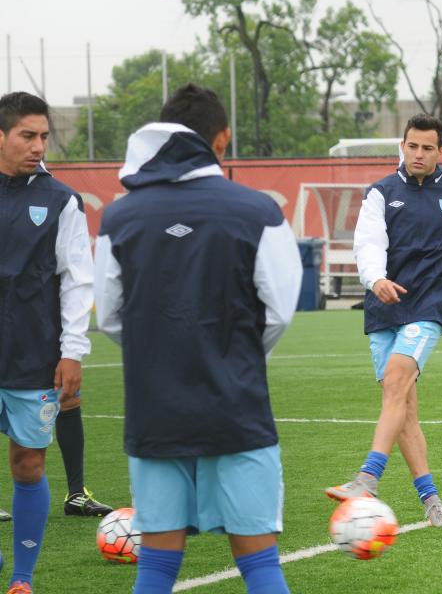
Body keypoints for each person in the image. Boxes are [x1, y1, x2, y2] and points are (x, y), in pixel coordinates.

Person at [94, 84, 302, 594]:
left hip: (155, 411)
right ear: (223, 138)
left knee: (157, 568)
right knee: (259, 564)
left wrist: (161, 353)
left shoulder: (119, 216)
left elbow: (110, 318)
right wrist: (234, 357)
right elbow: (278, 310)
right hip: (237, 409)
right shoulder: (258, 211)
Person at [326, 113, 442, 526]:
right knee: (404, 408)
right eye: (412, 146)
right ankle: (433, 505)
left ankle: (367, 477)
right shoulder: (380, 193)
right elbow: (368, 243)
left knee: (395, 382)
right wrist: (375, 279)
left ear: (441, 152)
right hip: (382, 311)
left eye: (428, 148)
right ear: (402, 146)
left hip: (428, 308)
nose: (419, 154)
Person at [0, 91, 97, 593]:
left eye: (43, 136)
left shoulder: (61, 200)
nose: (38, 146)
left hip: (33, 354)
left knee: (29, 462)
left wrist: (72, 350)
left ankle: (21, 579)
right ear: (1, 136)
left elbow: (79, 279)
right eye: (27, 136)